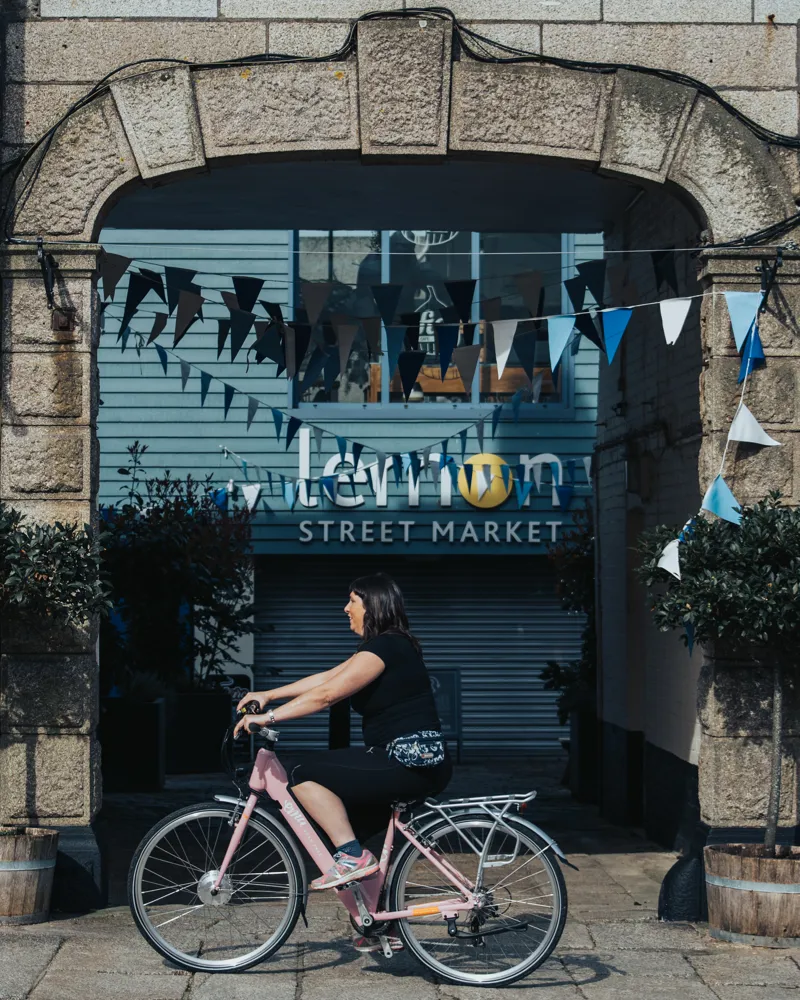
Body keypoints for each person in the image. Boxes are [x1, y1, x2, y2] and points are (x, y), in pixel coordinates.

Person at [235, 572, 453, 952]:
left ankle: (351, 857)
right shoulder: (381, 648)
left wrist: (267, 718)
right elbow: (327, 678)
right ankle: (378, 921)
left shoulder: (388, 647)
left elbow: (327, 696)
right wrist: (269, 694)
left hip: (409, 761)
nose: (345, 608)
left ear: (373, 605)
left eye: (352, 600)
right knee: (343, 825)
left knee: (303, 775)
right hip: (405, 760)